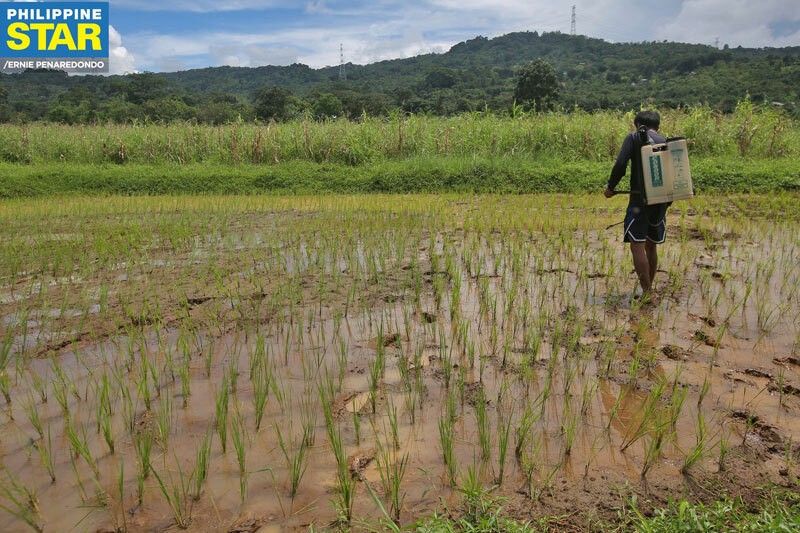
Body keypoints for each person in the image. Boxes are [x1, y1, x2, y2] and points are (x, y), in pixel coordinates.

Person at [604, 110, 668, 299]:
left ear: (638, 124)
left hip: (639, 201)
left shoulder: (634, 138)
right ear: (657, 126)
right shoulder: (664, 140)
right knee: (651, 246)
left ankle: (647, 292)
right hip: (661, 201)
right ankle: (650, 287)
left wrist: (611, 186)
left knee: (637, 245)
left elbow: (621, 164)